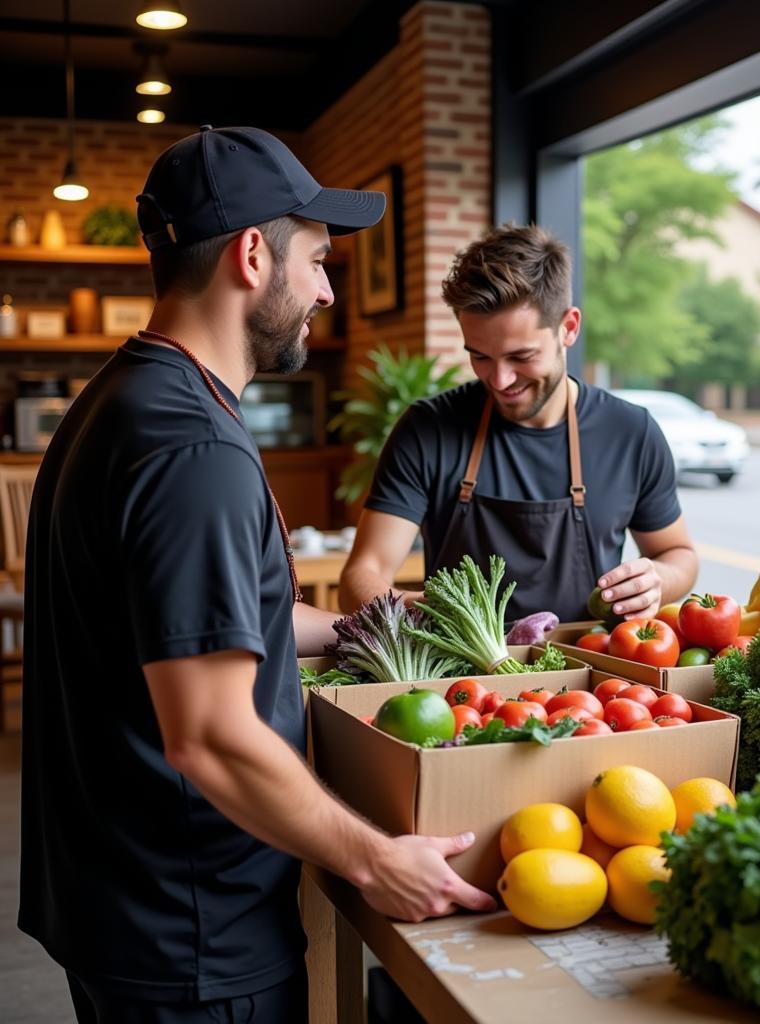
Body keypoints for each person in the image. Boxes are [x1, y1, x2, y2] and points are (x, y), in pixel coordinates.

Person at [19, 125, 494, 1024]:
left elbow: (198, 626)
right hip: (191, 934)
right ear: (250, 256)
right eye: (316, 260)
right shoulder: (192, 447)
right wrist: (373, 857)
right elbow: (211, 736)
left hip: (121, 902)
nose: (323, 287)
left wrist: (394, 630)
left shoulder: (122, 401)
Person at [339, 223, 699, 624]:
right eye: (480, 357)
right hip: (463, 678)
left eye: (521, 356)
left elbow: (678, 554)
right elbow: (361, 576)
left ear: (569, 328)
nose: (499, 380)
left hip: (589, 676)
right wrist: (426, 611)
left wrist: (658, 580)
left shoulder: (631, 433)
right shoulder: (428, 429)